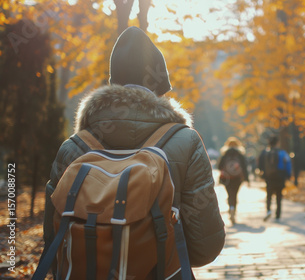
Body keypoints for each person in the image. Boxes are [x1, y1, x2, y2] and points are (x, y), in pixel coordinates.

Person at [42, 26, 225, 278]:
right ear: (161, 85)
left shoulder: (73, 147)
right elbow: (206, 247)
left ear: (112, 84)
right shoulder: (186, 141)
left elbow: (54, 240)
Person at [258, 136, 292, 221]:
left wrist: (263, 173)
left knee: (269, 195)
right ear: (277, 143)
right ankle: (278, 214)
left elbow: (260, 165)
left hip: (269, 177)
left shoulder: (264, 153)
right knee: (279, 196)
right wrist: (288, 175)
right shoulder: (282, 153)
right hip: (280, 177)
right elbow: (288, 163)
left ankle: (268, 211)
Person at [217, 137, 249, 224]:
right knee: (235, 194)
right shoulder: (240, 154)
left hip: (227, 178)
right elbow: (245, 167)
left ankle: (230, 207)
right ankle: (233, 210)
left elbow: (219, 166)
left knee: (229, 194)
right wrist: (247, 179)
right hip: (237, 178)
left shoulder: (225, 154)